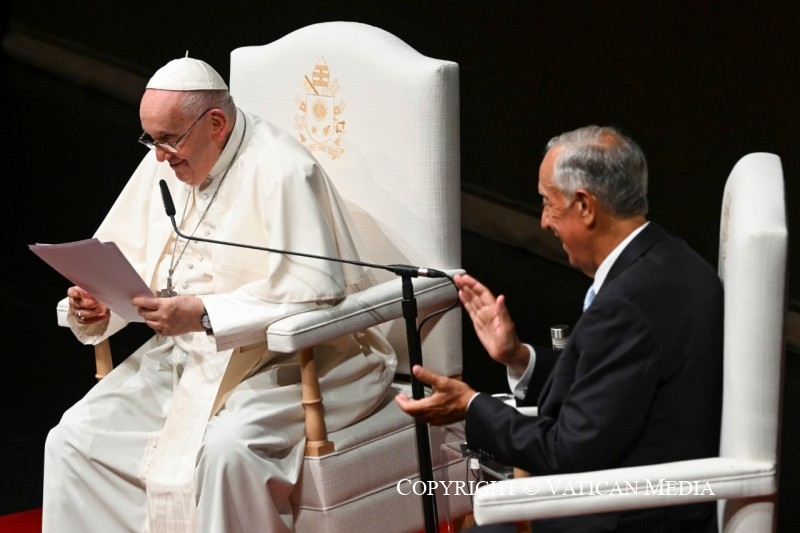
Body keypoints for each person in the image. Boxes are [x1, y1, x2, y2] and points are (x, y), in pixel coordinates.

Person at [42, 56, 397, 533]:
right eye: (151, 139)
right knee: (74, 438)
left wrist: (206, 314)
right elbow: (123, 259)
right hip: (189, 359)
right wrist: (100, 303)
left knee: (228, 452)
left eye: (169, 139)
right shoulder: (167, 162)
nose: (158, 157)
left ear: (215, 123)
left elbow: (314, 294)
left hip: (298, 361)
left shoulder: (282, 170)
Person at [396, 125, 723, 532]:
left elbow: (566, 452)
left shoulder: (626, 306)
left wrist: (471, 407)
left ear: (585, 206)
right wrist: (519, 357)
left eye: (549, 204)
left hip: (630, 514)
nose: (544, 221)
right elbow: (613, 384)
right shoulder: (674, 260)